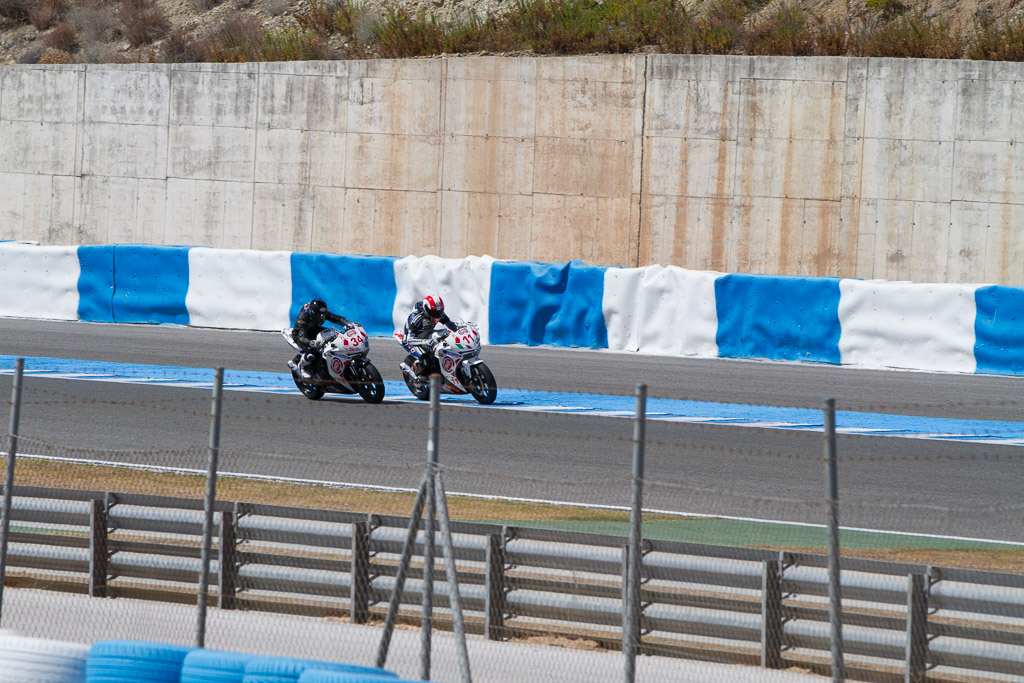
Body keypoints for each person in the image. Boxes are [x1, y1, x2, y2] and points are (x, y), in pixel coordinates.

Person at [290, 298, 353, 380]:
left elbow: (335, 318)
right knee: (312, 350)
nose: (320, 317)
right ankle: (302, 368)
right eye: (317, 315)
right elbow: (302, 336)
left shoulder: (322, 312)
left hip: (313, 328)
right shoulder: (304, 317)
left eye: (322, 314)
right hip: (300, 334)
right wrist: (311, 342)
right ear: (312, 312)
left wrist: (348, 323)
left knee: (334, 334)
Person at [400, 294, 459, 379]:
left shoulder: (439, 313)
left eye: (439, 312)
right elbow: (409, 340)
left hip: (426, 333)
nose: (437, 315)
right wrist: (425, 342)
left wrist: (459, 329)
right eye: (434, 312)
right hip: (411, 340)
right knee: (425, 357)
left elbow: (451, 325)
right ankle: (417, 372)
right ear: (426, 309)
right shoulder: (415, 318)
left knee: (446, 336)